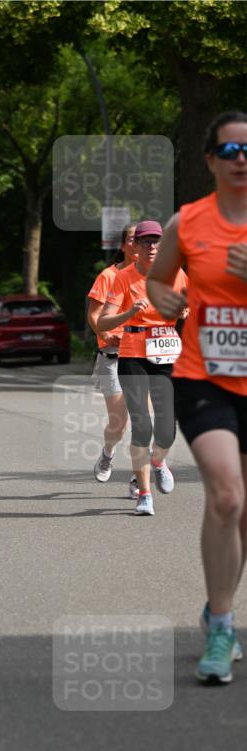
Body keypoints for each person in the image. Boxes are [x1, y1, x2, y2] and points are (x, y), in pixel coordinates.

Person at [147, 109, 247, 682]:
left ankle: (216, 610)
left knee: (244, 512)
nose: (240, 161)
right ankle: (225, 627)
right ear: (210, 160)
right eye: (229, 151)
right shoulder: (189, 222)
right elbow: (161, 279)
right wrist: (164, 299)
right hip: (202, 375)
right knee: (227, 497)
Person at [97, 221, 187, 515]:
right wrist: (129, 312)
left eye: (156, 242)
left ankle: (159, 462)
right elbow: (103, 322)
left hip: (165, 357)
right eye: (145, 242)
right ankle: (144, 494)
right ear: (135, 246)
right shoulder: (122, 278)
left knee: (166, 430)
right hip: (132, 355)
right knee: (141, 424)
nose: (151, 247)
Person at [87, 225, 138, 495]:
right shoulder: (109, 276)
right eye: (132, 239)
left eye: (142, 239)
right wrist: (105, 334)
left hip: (144, 357)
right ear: (123, 246)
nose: (138, 243)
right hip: (114, 357)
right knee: (119, 422)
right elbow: (94, 315)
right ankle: (108, 451)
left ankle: (136, 478)